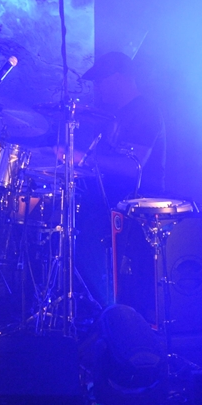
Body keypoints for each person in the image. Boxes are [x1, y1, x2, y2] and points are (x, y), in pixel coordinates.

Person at [72, 51, 166, 308]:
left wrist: (82, 159)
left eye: (99, 81)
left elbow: (132, 168)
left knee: (84, 232)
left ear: (117, 78)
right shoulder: (116, 116)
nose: (97, 88)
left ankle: (105, 309)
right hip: (115, 203)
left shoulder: (145, 111)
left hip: (138, 208)